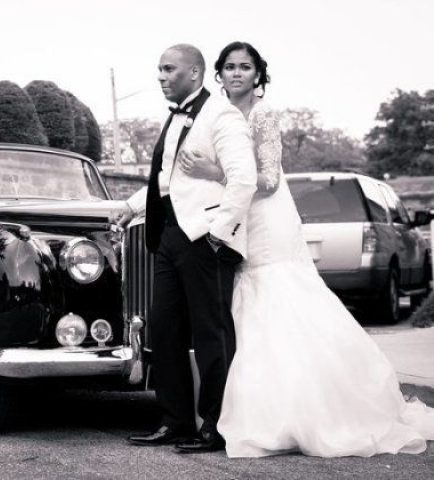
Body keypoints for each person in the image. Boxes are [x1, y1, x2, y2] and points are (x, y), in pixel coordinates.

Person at [174, 41, 434, 457]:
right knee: (244, 308)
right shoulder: (216, 115)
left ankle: (306, 409)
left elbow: (269, 181)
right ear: (218, 74)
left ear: (258, 75)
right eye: (229, 67)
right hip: (234, 216)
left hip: (267, 219)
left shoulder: (263, 116)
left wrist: (214, 171)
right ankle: (259, 407)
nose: (237, 73)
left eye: (245, 67)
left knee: (278, 295)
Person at [114, 43, 258, 452]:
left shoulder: (222, 115)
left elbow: (244, 179)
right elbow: (169, 180)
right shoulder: (176, 117)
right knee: (164, 328)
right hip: (170, 235)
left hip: (205, 238)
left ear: (194, 73)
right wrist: (131, 207)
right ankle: (175, 421)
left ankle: (216, 426)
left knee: (212, 333)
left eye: (168, 69)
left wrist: (218, 233)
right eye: (159, 69)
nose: (161, 76)